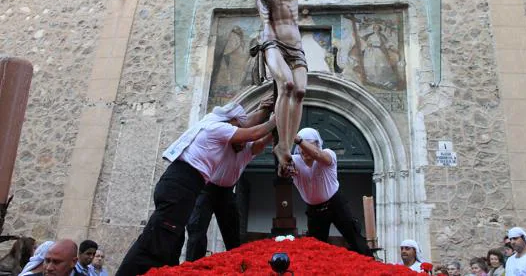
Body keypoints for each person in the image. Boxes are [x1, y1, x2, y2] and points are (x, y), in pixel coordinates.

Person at [197, 0, 359, 171]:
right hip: (272, 42)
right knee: (287, 85)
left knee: (300, 91)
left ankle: (286, 145)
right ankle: (282, 146)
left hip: (295, 45)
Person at [116, 102, 276, 276]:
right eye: (237, 126)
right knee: (157, 242)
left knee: (173, 241)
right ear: (230, 120)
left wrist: (264, 111)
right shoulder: (217, 128)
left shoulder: (211, 123)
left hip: (184, 186)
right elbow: (252, 133)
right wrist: (275, 120)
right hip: (182, 185)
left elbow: (251, 133)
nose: (238, 132)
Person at [185, 98, 275, 261]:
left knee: (233, 236)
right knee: (196, 230)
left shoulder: (248, 149)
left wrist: (276, 125)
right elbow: (244, 127)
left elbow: (261, 140)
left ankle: (238, 267)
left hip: (226, 193)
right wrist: (267, 116)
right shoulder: (224, 139)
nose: (241, 143)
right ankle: (193, 266)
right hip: (207, 189)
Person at [283, 127, 371, 256]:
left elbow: (317, 155)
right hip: (314, 210)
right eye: (302, 147)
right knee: (315, 249)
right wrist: (283, 168)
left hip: (336, 204)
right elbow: (283, 166)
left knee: (355, 240)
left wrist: (299, 139)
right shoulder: (295, 161)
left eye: (308, 144)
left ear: (317, 144)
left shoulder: (328, 154)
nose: (304, 149)